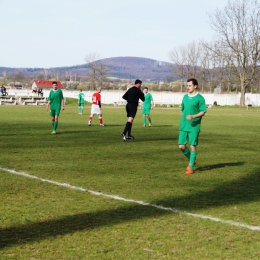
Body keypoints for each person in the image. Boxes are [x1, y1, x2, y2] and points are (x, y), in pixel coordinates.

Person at [178, 78, 207, 174]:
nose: (188, 87)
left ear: (195, 86)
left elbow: (203, 112)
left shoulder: (200, 98)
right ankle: (192, 159)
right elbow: (182, 109)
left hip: (194, 126)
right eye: (187, 85)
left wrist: (193, 116)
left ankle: (190, 167)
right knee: (181, 146)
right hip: (183, 125)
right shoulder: (185, 97)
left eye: (189, 85)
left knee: (192, 146)